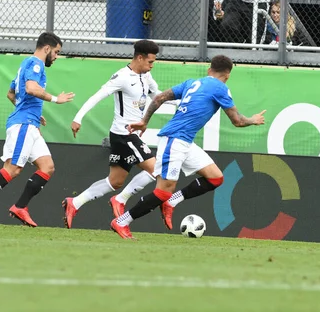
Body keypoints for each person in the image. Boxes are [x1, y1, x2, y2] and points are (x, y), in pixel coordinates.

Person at [110, 55, 266, 239]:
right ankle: (121, 222)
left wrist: (144, 121)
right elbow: (238, 121)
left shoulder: (192, 82)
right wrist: (253, 120)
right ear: (228, 75)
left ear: (209, 70)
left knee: (215, 178)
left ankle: (172, 202)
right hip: (175, 140)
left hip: (184, 141)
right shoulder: (221, 88)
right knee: (162, 191)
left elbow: (159, 98)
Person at [0, 32, 75, 228]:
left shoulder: (25, 64)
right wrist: (56, 99)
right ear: (47, 49)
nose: (56, 57)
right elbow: (31, 89)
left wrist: (29, 110)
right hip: (23, 125)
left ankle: (20, 207)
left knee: (47, 167)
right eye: (56, 52)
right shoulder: (36, 64)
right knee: (13, 169)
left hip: (29, 122)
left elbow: (11, 93)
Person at [62, 40, 169, 229]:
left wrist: (182, 102)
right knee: (156, 170)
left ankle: (75, 203)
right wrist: (78, 118)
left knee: (115, 181)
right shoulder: (122, 77)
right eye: (150, 62)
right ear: (139, 57)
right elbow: (98, 96)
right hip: (125, 135)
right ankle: (120, 200)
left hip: (128, 136)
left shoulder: (146, 76)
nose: (152, 65)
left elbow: (157, 97)